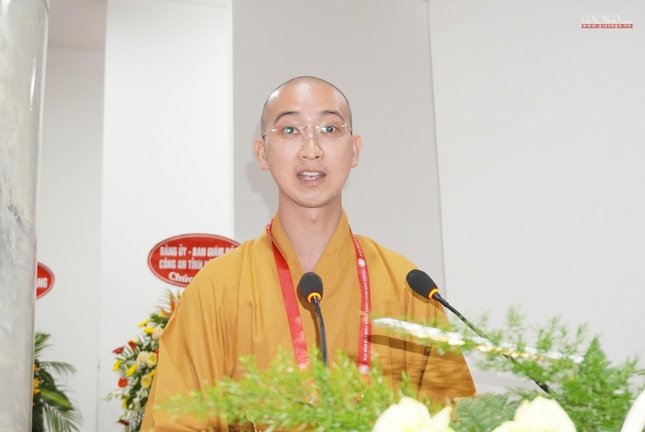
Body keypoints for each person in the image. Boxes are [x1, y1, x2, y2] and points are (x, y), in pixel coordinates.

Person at [141, 76, 475, 431]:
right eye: (290, 130)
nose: (311, 149)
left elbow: (456, 418)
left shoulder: (407, 287)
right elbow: (175, 419)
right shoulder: (216, 288)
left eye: (329, 129)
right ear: (262, 153)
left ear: (355, 149)